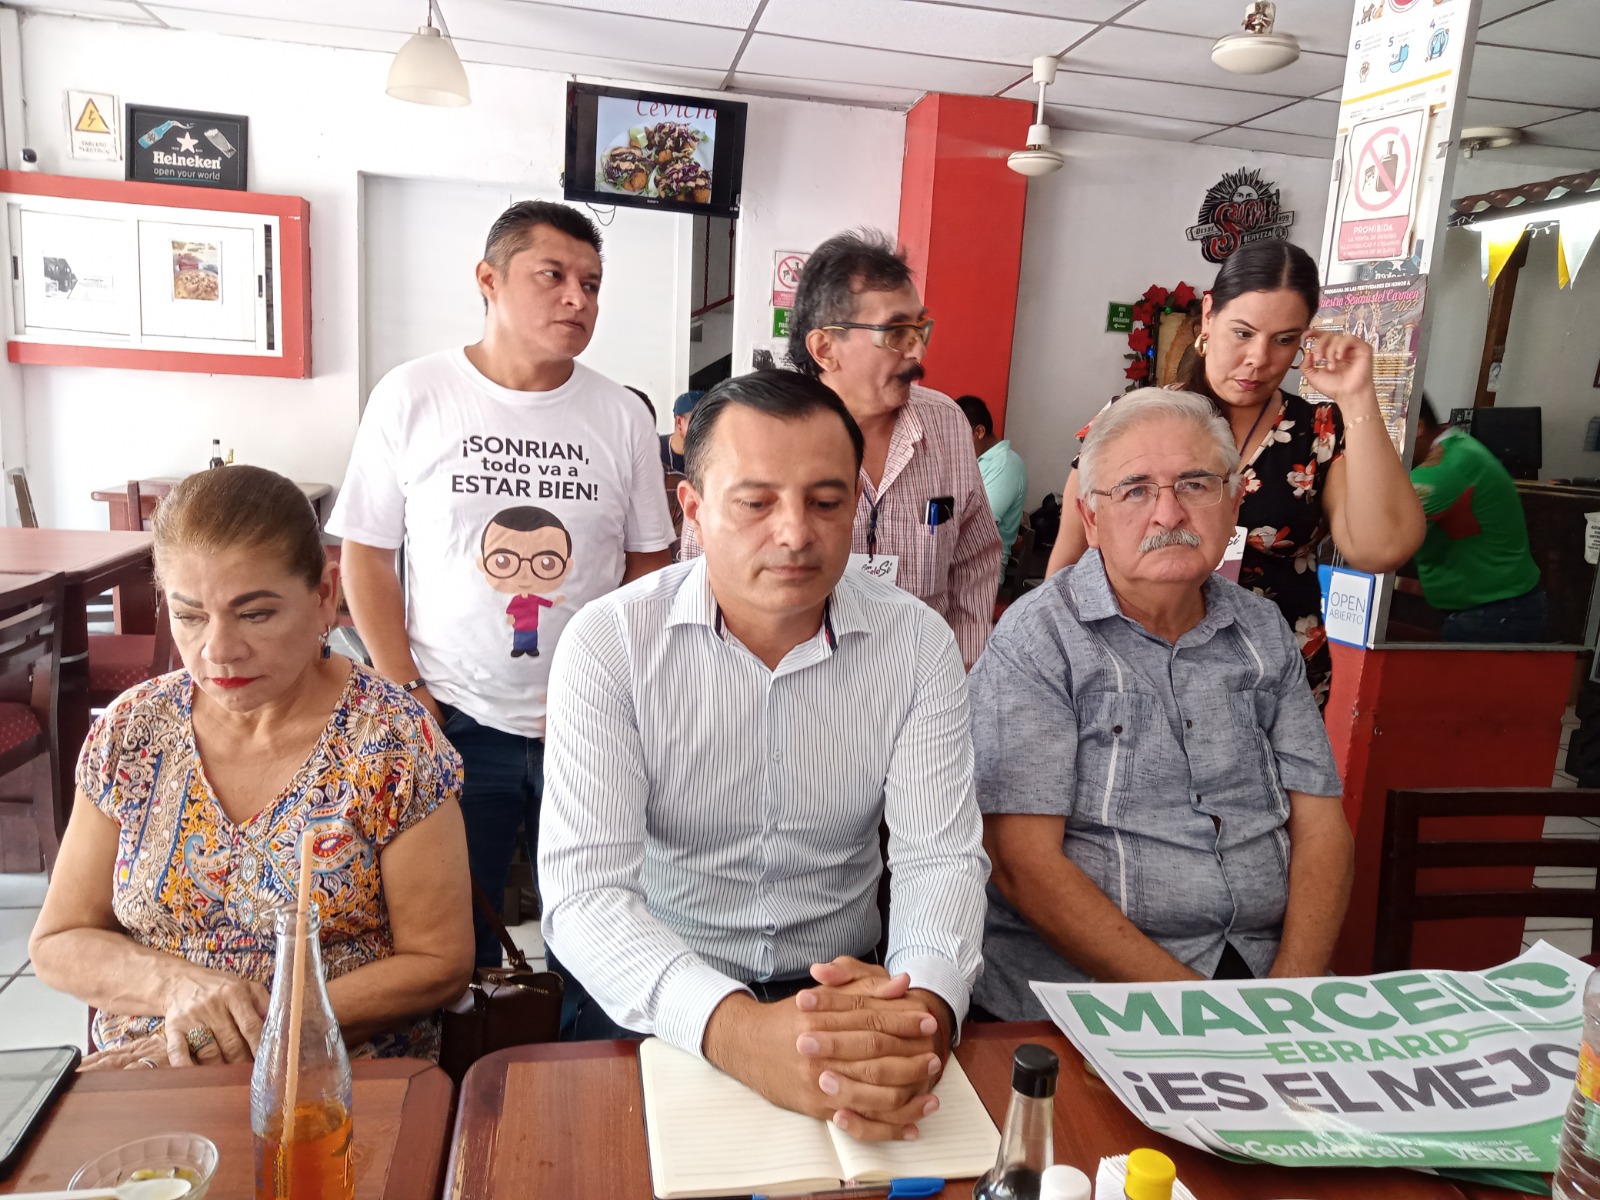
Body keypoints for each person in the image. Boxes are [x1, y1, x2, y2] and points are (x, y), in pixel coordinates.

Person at [540, 369, 988, 1142]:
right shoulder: (611, 645)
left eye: (827, 502)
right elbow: (585, 894)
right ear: (693, 508)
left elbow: (939, 858)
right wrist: (737, 1030)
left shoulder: (916, 644)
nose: (795, 534)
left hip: (849, 991)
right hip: (662, 995)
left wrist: (923, 1011)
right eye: (755, 503)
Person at [29, 466, 473, 1068]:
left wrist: (236, 1032)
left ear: (325, 595)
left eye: (256, 614)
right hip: (149, 1071)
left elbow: (438, 964)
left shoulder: (389, 739)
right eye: (190, 616)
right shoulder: (133, 731)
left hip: (331, 1072)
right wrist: (180, 989)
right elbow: (60, 941)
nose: (219, 650)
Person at [329, 200, 675, 968]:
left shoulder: (619, 414)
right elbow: (367, 555)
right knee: (450, 933)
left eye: (591, 283)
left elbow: (649, 563)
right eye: (552, 276)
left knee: (600, 922)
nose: (577, 299)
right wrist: (407, 690)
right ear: (488, 280)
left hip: (588, 720)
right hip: (451, 713)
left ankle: (580, 1040)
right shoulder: (414, 394)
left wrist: (615, 682)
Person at [971, 391, 1351, 1019]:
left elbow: (1322, 823)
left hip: (1266, 977)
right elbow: (1020, 863)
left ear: (1234, 502)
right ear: (1091, 517)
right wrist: (1207, 1016)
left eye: (1196, 485)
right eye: (1135, 490)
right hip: (1092, 995)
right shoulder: (1040, 638)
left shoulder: (1263, 630)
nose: (1168, 513)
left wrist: (1292, 994)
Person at [1045, 240, 1424, 704]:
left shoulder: (1319, 433)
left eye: (1284, 340)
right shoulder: (1129, 423)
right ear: (1209, 316)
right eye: (1243, 333)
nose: (1259, 359)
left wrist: (1358, 397)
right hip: (1140, 677)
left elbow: (1381, 549)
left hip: (1271, 682)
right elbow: (1068, 564)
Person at [679, 231, 1001, 667]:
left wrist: (960, 666)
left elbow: (975, 559)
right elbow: (704, 568)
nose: (919, 349)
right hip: (796, 679)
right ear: (825, 348)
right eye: (897, 332)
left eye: (920, 328)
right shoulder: (750, 433)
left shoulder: (945, 424)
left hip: (920, 675)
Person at [1409, 397, 1544, 642]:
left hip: (1495, 613)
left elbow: (1381, 538)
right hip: (1485, 606)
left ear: (1417, 427)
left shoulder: (1443, 468)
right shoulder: (1458, 446)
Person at [956, 394, 1027, 573]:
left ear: (979, 431)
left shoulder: (1005, 464)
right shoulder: (976, 462)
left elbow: (980, 525)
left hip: (982, 570)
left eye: (958, 436)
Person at [660, 390, 703, 474]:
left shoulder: (711, 454)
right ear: (679, 422)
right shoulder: (652, 450)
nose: (707, 429)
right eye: (700, 422)